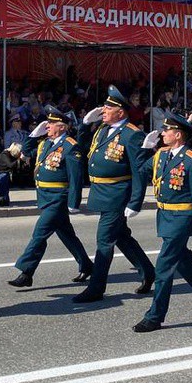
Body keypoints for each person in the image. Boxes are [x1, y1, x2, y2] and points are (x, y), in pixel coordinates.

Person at [133, 112, 192, 333]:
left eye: (167, 130)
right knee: (184, 263)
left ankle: (154, 316)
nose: (162, 133)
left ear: (178, 135)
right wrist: (145, 148)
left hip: (181, 219)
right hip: (164, 217)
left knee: (163, 268)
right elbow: (140, 171)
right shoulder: (161, 155)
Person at [73, 86, 156, 302]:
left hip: (117, 195)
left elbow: (139, 171)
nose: (104, 110)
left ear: (120, 112)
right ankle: (147, 271)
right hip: (101, 191)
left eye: (109, 107)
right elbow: (80, 148)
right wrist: (84, 124)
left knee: (104, 240)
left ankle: (96, 288)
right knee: (121, 237)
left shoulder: (132, 134)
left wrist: (135, 201)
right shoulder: (101, 129)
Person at [7, 106, 94, 288]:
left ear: (62, 126)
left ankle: (26, 272)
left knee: (40, 233)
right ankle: (86, 265)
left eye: (51, 123)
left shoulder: (70, 146)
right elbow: (26, 153)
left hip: (58, 197)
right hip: (44, 196)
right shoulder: (46, 143)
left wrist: (73, 202)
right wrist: (32, 136)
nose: (47, 126)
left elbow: (76, 177)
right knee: (66, 235)